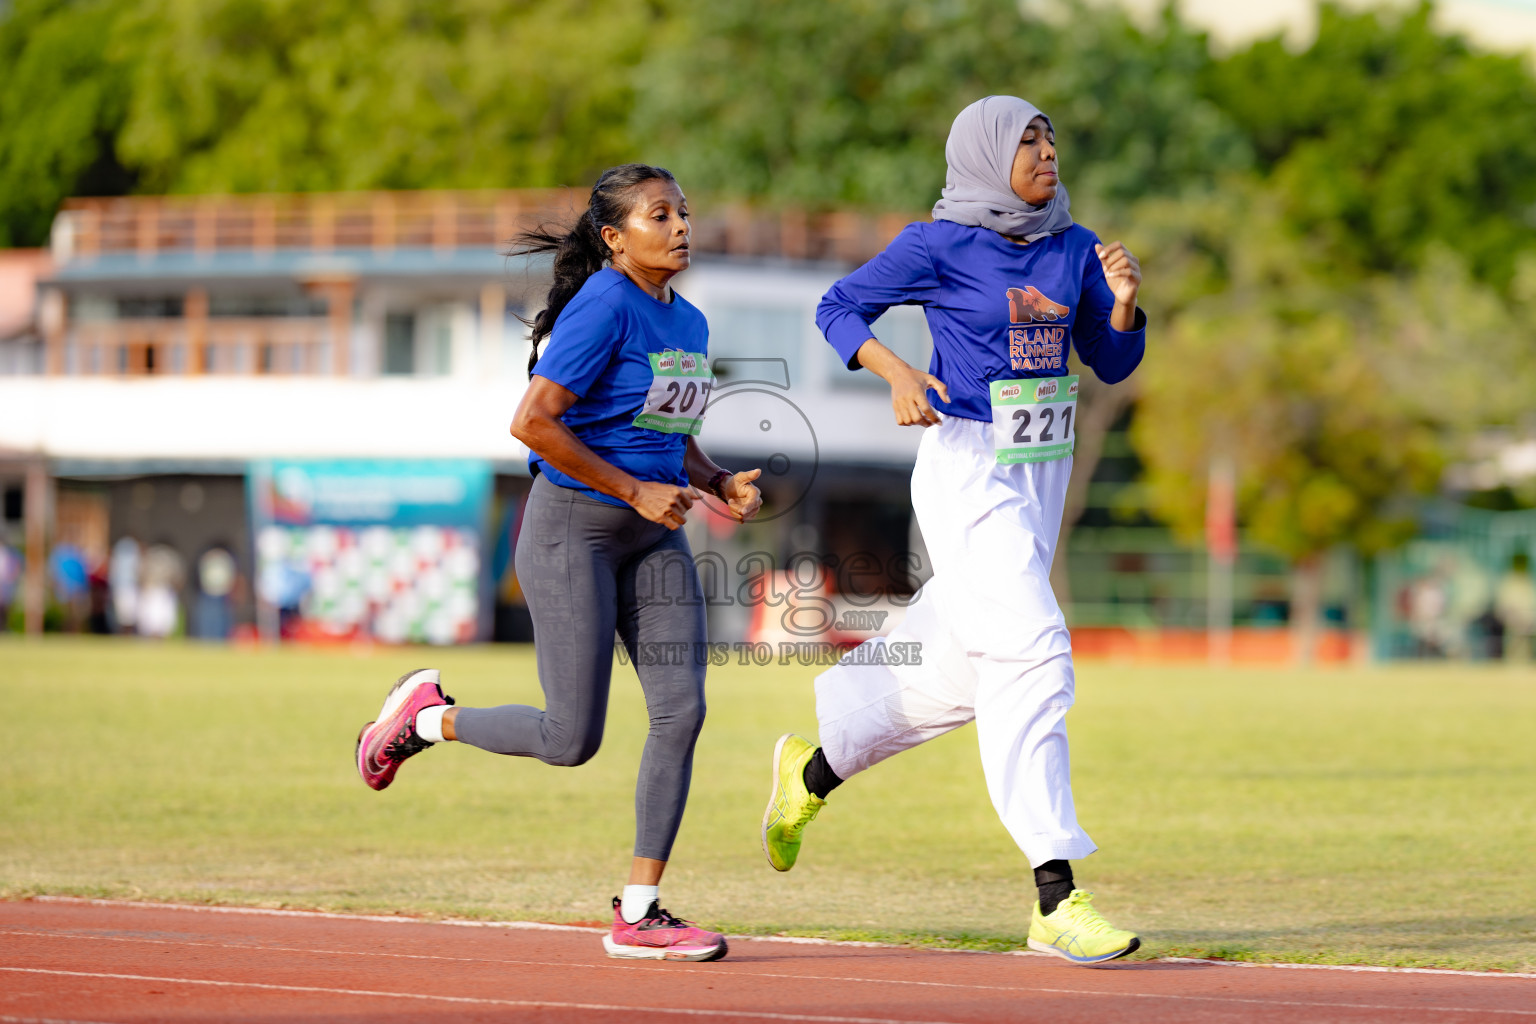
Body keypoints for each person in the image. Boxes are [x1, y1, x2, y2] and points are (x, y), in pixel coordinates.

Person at [761, 96, 1146, 964]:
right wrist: (895, 368)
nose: (1047, 153)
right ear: (983, 157)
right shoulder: (937, 245)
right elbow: (837, 307)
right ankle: (1056, 894)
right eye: (1027, 142)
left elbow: (1111, 362)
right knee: (1036, 654)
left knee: (964, 676)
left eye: (1051, 137)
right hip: (968, 466)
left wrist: (1120, 304)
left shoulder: (1076, 248)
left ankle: (810, 774)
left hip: (1040, 472)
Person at [355, 164, 763, 962]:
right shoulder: (603, 305)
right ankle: (425, 720)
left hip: (651, 536)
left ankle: (639, 913)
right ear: (614, 238)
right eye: (659, 215)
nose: (681, 226)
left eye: (683, 213)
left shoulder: (691, 323)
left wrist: (711, 480)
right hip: (570, 530)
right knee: (571, 737)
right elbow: (533, 423)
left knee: (682, 713)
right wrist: (633, 490)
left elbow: (667, 428)